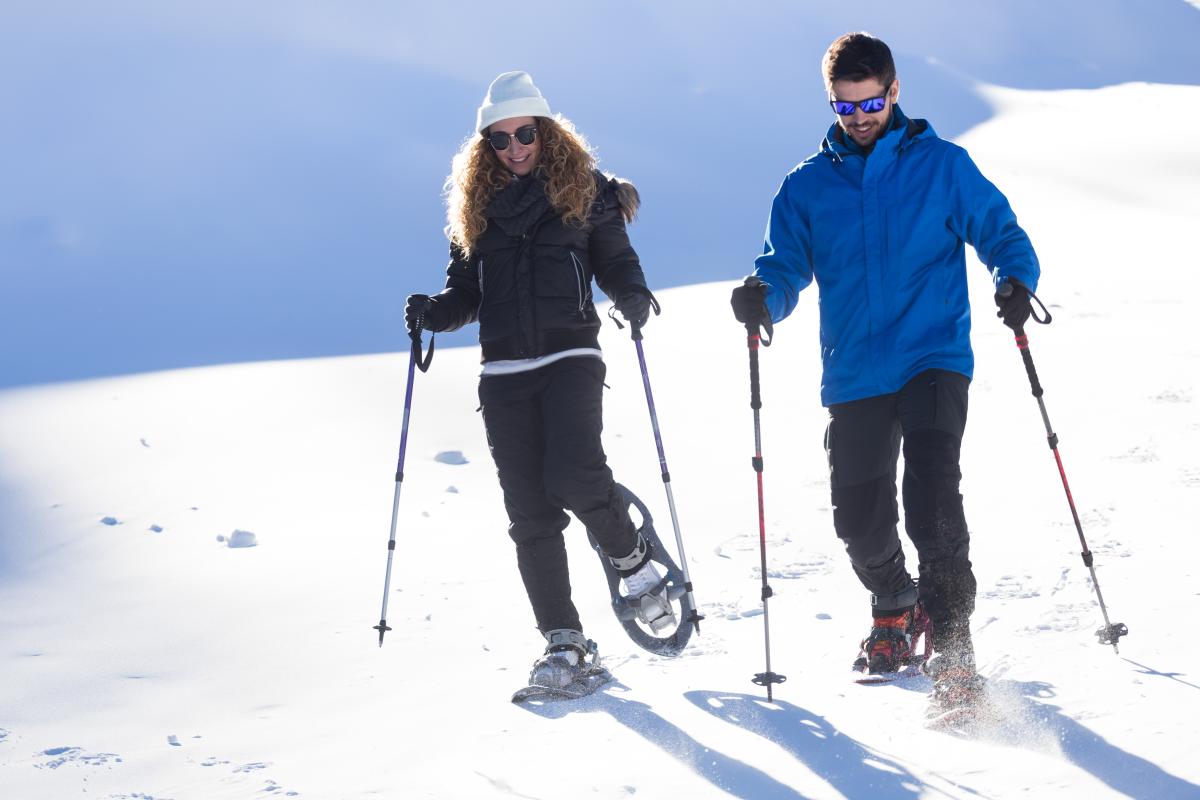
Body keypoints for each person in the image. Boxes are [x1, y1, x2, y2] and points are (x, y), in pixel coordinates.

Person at [731, 33, 1040, 712]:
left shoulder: (942, 166)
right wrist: (763, 295)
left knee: (933, 502)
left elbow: (999, 230)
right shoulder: (807, 185)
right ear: (831, 102)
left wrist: (1015, 279)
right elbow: (785, 265)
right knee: (859, 519)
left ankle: (955, 652)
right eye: (845, 107)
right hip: (856, 371)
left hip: (933, 357)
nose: (860, 116)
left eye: (871, 102)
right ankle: (895, 601)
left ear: (894, 91)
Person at [405, 71, 670, 689]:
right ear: (485, 148)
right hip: (502, 373)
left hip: (570, 357)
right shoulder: (475, 211)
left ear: (546, 132)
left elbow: (614, 260)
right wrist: (433, 313)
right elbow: (466, 293)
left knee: (574, 475)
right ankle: (565, 642)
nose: (515, 147)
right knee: (530, 512)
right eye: (500, 140)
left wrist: (631, 293)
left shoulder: (589, 192)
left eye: (525, 133)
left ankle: (632, 557)